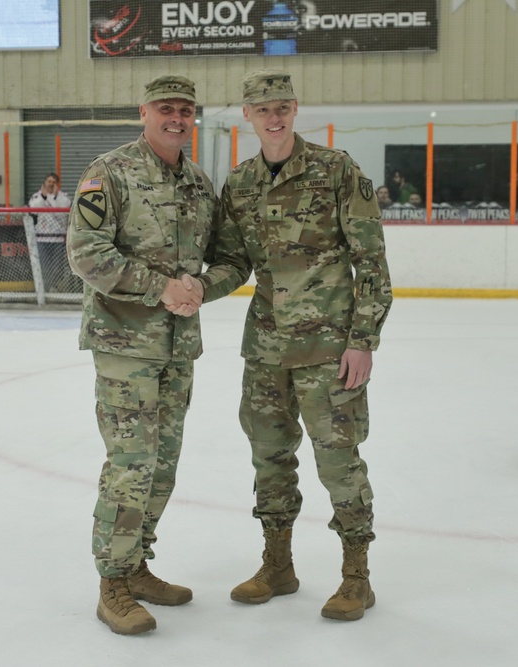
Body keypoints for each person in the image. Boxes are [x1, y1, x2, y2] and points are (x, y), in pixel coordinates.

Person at [185, 70, 392, 622]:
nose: (273, 118)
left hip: (329, 349)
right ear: (247, 117)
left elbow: (371, 262)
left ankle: (357, 577)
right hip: (267, 350)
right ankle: (277, 565)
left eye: (281, 107)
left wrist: (363, 340)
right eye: (262, 110)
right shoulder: (240, 184)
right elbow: (233, 263)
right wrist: (197, 289)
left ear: (295, 109)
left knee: (338, 462)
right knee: (269, 460)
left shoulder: (336, 170)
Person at [66, 75, 217, 636]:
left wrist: (202, 288)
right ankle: (112, 584)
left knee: (162, 466)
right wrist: (160, 288)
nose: (175, 117)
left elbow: (223, 256)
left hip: (178, 348)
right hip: (124, 345)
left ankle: (137, 565)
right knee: (130, 465)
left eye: (184, 109)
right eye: (165, 108)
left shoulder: (200, 184)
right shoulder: (109, 172)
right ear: (144, 112)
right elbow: (85, 253)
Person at [28, 172, 75, 291]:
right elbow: (33, 210)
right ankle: (44, 287)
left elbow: (62, 213)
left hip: (58, 238)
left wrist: (53, 198)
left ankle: (53, 286)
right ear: (44, 183)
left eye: (54, 182)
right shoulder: (36, 197)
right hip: (41, 238)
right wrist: (44, 198)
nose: (51, 184)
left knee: (57, 266)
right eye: (49, 181)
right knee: (44, 266)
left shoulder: (63, 197)